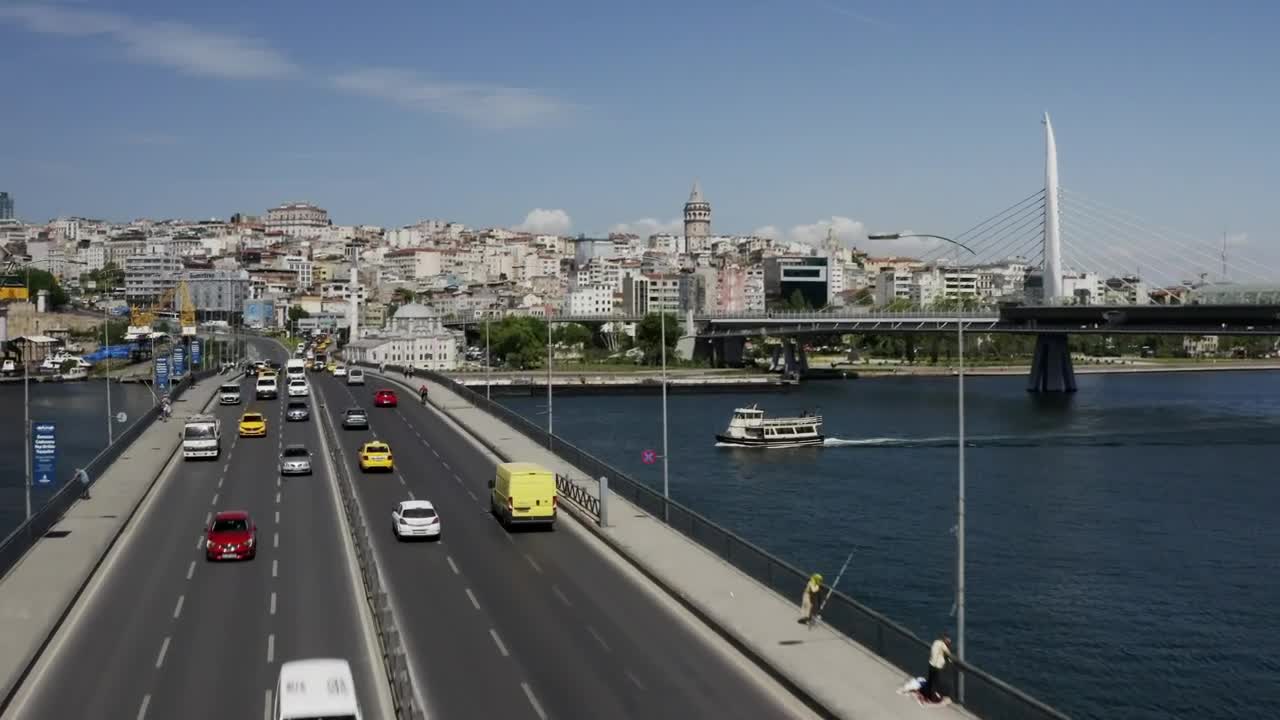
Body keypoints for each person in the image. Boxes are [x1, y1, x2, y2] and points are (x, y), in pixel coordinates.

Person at [920, 632, 953, 702]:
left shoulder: (935, 642)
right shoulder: (943, 645)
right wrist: (950, 659)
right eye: (948, 641)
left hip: (931, 664)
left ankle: (926, 695)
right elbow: (949, 654)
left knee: (930, 681)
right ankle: (933, 698)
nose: (948, 642)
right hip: (937, 667)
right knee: (936, 683)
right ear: (945, 640)